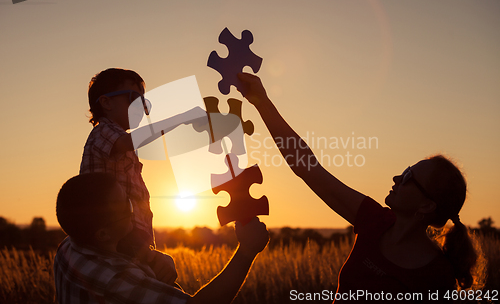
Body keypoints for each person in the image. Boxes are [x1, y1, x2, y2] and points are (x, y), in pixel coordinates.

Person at [236, 72, 477, 302]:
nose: (396, 178)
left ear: (427, 205)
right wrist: (261, 101)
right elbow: (308, 168)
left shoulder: (436, 277)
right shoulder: (375, 220)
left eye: (408, 176)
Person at [54, 173, 269, 304]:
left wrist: (147, 256)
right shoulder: (116, 280)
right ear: (102, 234)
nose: (132, 209)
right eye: (125, 206)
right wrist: (247, 251)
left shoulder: (67, 248)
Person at [80, 68, 204, 279]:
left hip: (130, 238)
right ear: (106, 103)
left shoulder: (121, 142)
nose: (142, 109)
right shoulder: (104, 132)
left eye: (145, 103)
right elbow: (129, 141)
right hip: (115, 236)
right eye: (134, 100)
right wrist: (181, 118)